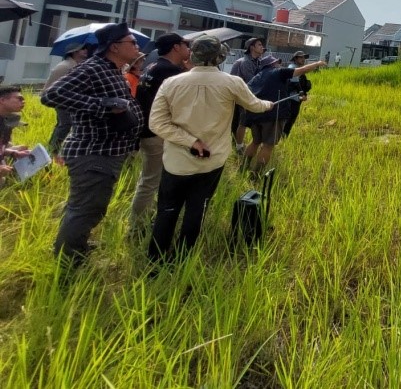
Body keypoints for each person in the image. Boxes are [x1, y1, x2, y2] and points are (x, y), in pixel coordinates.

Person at [147, 36, 274, 263]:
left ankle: (154, 260)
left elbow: (156, 123)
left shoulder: (171, 83)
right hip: (212, 161)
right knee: (197, 209)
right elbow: (255, 105)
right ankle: (183, 259)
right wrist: (269, 104)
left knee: (167, 209)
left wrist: (189, 141)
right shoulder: (232, 82)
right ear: (220, 57)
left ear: (193, 55)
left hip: (176, 162)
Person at [41, 22, 143, 267]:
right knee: (86, 209)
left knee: (88, 206)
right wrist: (102, 105)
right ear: (115, 47)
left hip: (107, 151)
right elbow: (51, 95)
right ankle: (70, 261)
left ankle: (76, 245)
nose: (137, 47)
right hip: (94, 153)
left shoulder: (112, 69)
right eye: (132, 42)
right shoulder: (93, 68)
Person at [129, 33, 190, 235]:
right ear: (175, 47)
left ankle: (144, 218)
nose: (188, 49)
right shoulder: (170, 71)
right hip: (158, 132)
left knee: (150, 178)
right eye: (185, 45)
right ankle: (137, 226)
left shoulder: (152, 67)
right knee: (151, 180)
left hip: (148, 129)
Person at [244, 54, 326, 174]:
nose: (280, 64)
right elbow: (302, 70)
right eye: (277, 62)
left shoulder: (257, 76)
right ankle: (256, 174)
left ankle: (243, 167)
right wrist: (317, 64)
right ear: (272, 64)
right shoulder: (279, 72)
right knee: (268, 146)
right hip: (273, 115)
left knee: (255, 142)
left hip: (256, 114)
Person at [42, 41, 89, 158]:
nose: (86, 51)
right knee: (66, 124)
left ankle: (52, 150)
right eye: (83, 48)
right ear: (75, 52)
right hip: (60, 99)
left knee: (63, 124)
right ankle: (53, 151)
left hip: (66, 99)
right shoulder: (67, 66)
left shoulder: (74, 64)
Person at [230, 37, 265, 154]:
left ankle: (237, 144)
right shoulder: (245, 62)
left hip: (247, 94)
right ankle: (238, 146)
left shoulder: (258, 61)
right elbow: (252, 81)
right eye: (259, 45)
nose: (262, 47)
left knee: (241, 121)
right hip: (239, 96)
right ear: (252, 47)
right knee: (241, 122)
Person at [0, 86, 32, 188]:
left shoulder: (7, 119)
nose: (23, 102)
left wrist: (14, 153)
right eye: (19, 99)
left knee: (16, 147)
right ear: (2, 100)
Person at [282, 51, 313, 138]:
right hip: (291, 98)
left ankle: (284, 136)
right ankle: (282, 136)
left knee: (292, 118)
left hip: (296, 98)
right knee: (289, 118)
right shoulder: (292, 68)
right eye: (301, 57)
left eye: (304, 58)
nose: (303, 59)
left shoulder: (299, 68)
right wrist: (302, 94)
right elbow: (295, 83)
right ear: (295, 59)